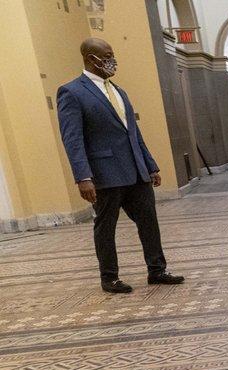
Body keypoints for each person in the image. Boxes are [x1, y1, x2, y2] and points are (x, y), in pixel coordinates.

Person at [57, 37, 183, 294]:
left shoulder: (118, 90)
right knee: (106, 226)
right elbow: (73, 139)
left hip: (136, 170)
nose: (112, 60)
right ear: (90, 58)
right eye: (107, 55)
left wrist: (151, 165)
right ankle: (110, 277)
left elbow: (133, 133)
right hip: (104, 174)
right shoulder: (72, 92)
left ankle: (157, 270)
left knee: (149, 222)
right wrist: (83, 177)